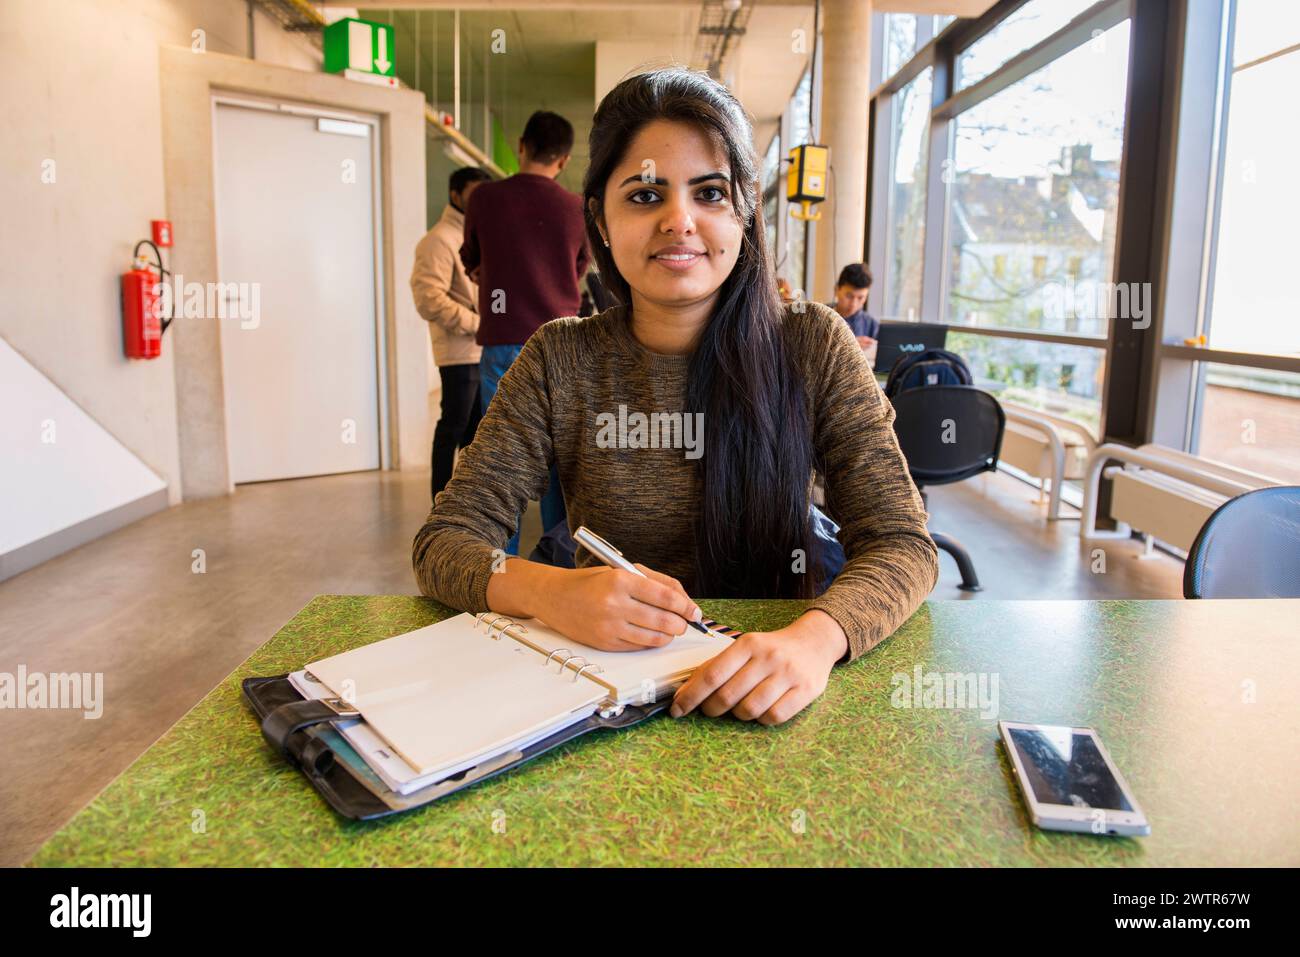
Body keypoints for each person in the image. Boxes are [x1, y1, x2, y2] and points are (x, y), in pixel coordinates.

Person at [415, 68, 938, 727]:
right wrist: (548, 590)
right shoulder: (559, 357)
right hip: (599, 705)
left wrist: (816, 639)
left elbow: (901, 540)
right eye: (644, 195)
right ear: (599, 222)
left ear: (744, 213)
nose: (678, 220)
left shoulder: (814, 343)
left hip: (777, 701)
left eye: (711, 192)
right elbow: (446, 540)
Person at [459, 110, 589, 554]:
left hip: (504, 341)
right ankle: (562, 563)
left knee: (501, 462)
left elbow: (470, 257)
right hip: (564, 345)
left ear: (521, 145)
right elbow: (580, 268)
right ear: (565, 159)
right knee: (560, 460)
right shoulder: (576, 207)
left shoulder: (484, 198)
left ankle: (500, 570)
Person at [411, 166, 492, 502]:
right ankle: (440, 504)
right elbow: (428, 298)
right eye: (474, 194)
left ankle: (465, 504)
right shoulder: (438, 240)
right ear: (456, 195)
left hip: (479, 349)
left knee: (475, 433)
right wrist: (477, 324)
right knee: (453, 428)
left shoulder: (470, 235)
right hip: (458, 352)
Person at [829, 262, 879, 352]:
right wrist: (849, 345)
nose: (854, 304)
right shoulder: (819, 317)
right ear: (836, 290)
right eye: (849, 296)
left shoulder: (872, 326)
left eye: (860, 298)